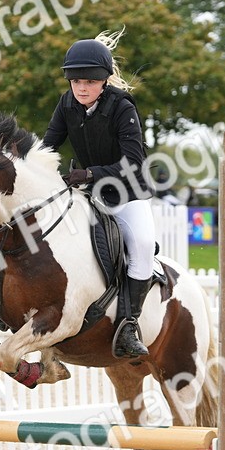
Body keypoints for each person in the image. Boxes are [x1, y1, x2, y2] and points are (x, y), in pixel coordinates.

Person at [43, 31, 153, 359]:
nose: (81, 87)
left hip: (126, 192)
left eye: (89, 81)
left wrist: (91, 173)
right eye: (75, 80)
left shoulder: (122, 107)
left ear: (104, 81)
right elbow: (48, 145)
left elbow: (134, 161)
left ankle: (129, 324)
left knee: (143, 244)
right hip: (88, 193)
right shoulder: (67, 104)